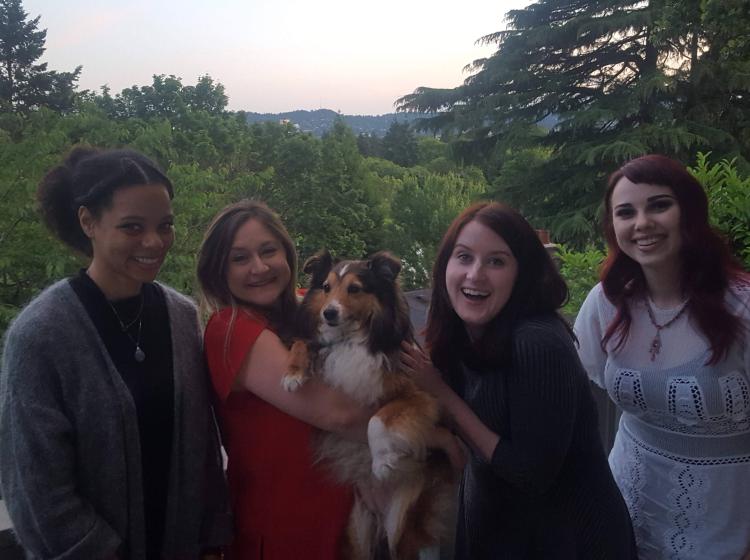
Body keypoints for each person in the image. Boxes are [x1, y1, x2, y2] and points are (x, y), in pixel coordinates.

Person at [0, 147, 232, 560]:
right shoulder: (41, 336)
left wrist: (213, 539)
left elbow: (204, 446)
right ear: (88, 221)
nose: (154, 242)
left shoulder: (181, 317)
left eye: (165, 225)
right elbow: (36, 486)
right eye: (132, 227)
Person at [401, 201, 637, 559]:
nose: (475, 274)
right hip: (499, 528)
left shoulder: (537, 343)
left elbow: (530, 473)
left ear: (521, 272)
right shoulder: (464, 336)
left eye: (496, 261)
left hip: (565, 540)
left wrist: (442, 394)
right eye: (464, 257)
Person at [574, 154, 750, 560]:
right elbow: (583, 384)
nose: (642, 223)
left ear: (688, 212)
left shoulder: (741, 306)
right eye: (625, 212)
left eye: (659, 205)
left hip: (728, 528)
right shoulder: (607, 302)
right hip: (623, 512)